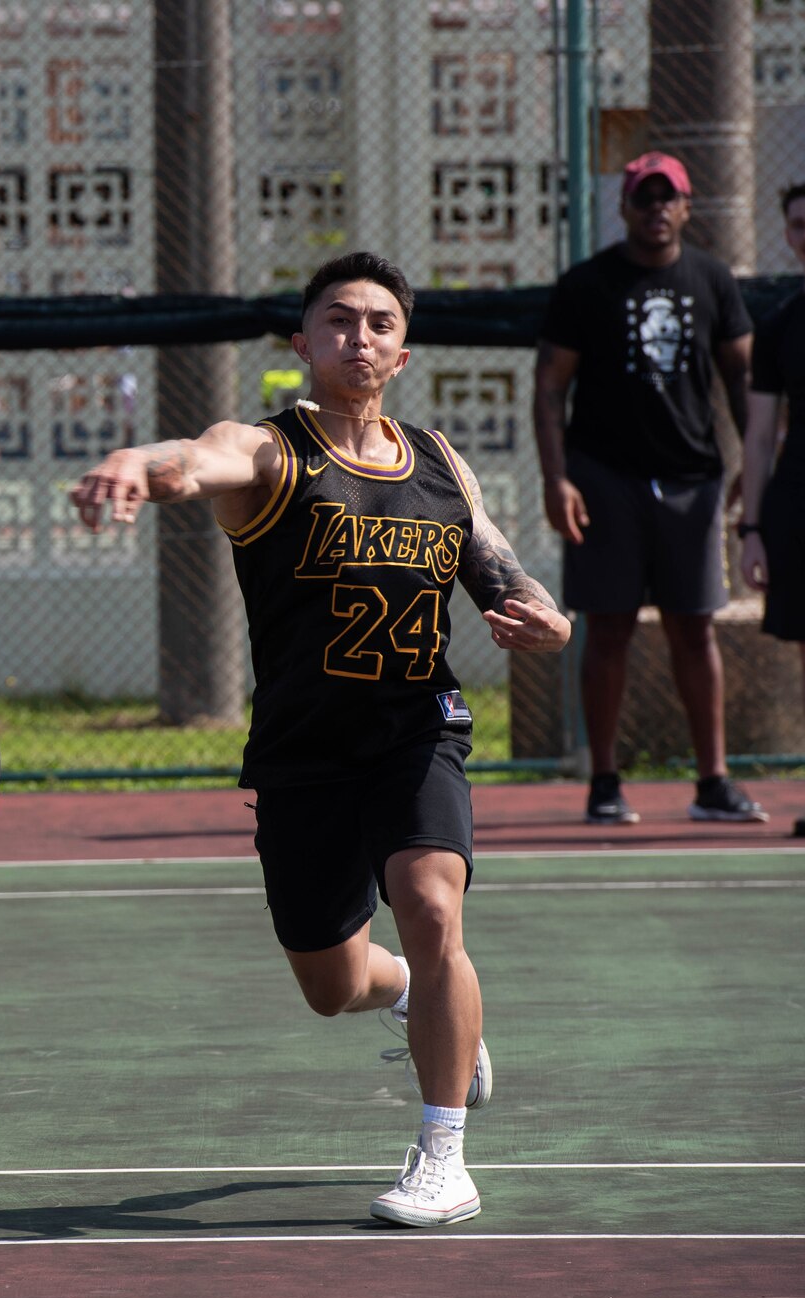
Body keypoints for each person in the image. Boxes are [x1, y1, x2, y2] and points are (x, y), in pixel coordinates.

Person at [70, 253, 571, 1227]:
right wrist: (136, 464)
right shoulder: (268, 450)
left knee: (430, 908)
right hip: (303, 752)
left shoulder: (436, 461)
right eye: (337, 321)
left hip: (414, 730)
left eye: (379, 323)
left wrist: (546, 622)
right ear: (300, 343)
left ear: (402, 349)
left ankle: (440, 1157)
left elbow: (506, 578)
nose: (359, 337)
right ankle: (402, 998)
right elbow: (194, 459)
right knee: (330, 981)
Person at [533, 151, 766, 825]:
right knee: (607, 630)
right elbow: (549, 389)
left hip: (693, 479)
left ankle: (712, 782)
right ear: (625, 206)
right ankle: (604, 781)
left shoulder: (713, 280)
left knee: (696, 630)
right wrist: (557, 479)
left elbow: (744, 379)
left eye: (670, 198)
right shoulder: (587, 285)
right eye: (645, 198)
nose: (657, 209)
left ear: (687, 207)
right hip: (605, 479)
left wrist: (754, 463)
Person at [737, 179, 805, 838]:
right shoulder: (778, 328)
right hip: (798, 511)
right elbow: (760, 436)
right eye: (799, 225)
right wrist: (753, 529)